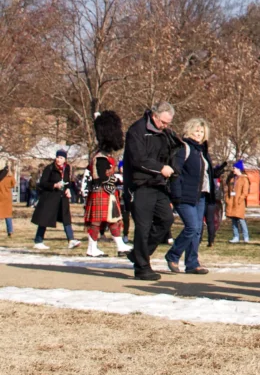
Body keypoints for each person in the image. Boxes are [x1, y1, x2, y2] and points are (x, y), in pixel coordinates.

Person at [123, 101, 181, 281]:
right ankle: (142, 267)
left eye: (168, 123)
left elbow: (169, 154)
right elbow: (138, 159)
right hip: (140, 185)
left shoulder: (165, 133)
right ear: (154, 116)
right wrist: (160, 168)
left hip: (159, 184)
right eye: (163, 122)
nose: (165, 126)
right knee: (143, 226)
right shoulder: (137, 131)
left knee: (166, 219)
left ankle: (139, 254)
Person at [165, 118, 214, 275]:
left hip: (201, 195)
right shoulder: (184, 148)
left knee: (198, 230)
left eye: (201, 132)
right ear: (189, 131)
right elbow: (176, 171)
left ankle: (192, 263)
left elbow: (203, 173)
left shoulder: (202, 151)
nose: (199, 134)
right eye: (196, 131)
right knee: (192, 227)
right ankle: (173, 255)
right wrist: (175, 193)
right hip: (185, 195)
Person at [84, 111, 131, 257]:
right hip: (102, 190)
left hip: (107, 192)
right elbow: (102, 177)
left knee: (113, 220)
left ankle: (119, 245)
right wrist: (116, 177)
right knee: (97, 221)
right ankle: (92, 247)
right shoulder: (100, 157)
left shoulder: (104, 156)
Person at [31, 150, 79, 250]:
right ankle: (38, 240)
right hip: (50, 197)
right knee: (44, 219)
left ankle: (71, 240)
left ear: (65, 159)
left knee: (66, 219)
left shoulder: (67, 168)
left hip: (62, 198)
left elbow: (68, 182)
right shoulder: (50, 168)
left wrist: (68, 189)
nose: (59, 160)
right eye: (57, 157)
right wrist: (54, 185)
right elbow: (43, 183)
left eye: (61, 158)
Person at [224, 162, 250, 243]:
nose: (233, 170)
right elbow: (228, 190)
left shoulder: (244, 179)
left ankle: (246, 236)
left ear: (239, 169)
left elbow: (245, 192)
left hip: (239, 202)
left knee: (241, 219)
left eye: (234, 168)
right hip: (232, 202)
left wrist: (240, 199)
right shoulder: (232, 179)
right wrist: (227, 199)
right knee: (233, 220)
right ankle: (236, 236)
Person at [204, 163, 224, 247]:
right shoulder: (217, 180)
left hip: (208, 199)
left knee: (205, 220)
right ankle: (211, 240)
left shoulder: (208, 178)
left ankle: (201, 239)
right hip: (212, 200)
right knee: (210, 221)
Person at [0, 159, 15, 237]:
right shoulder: (10, 176)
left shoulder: (0, 176)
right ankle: (10, 231)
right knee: (8, 215)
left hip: (0, 195)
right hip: (7, 196)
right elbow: (13, 184)